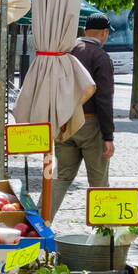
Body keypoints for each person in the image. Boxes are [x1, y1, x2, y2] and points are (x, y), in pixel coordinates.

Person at [51, 13, 115, 213]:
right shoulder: (100, 57)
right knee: (98, 183)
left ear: (85, 31)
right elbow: (104, 99)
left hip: (63, 121)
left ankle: (39, 227)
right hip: (90, 124)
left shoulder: (65, 51)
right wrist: (108, 136)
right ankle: (104, 232)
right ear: (104, 33)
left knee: (60, 177)